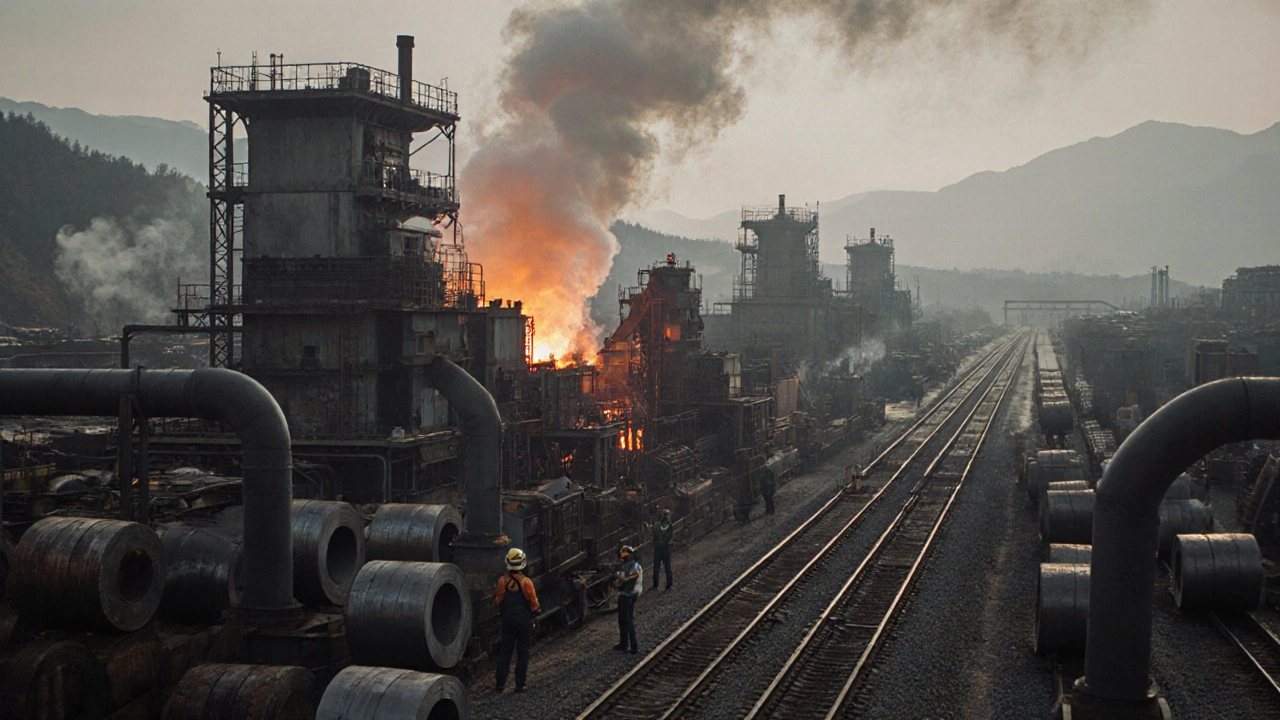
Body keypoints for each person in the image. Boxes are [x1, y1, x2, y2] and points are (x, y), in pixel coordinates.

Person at [494, 547, 540, 692]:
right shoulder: (527, 582)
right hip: (524, 622)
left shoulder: (502, 581)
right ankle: (520, 684)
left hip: (507, 621)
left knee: (505, 651)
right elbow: (533, 604)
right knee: (523, 652)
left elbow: (498, 600)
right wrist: (536, 612)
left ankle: (500, 683)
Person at [614, 545, 642, 654]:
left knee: (628, 619)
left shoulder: (634, 566)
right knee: (622, 619)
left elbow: (629, 581)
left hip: (630, 594)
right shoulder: (629, 565)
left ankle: (633, 645)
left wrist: (619, 584)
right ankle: (623, 643)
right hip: (625, 594)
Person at [651, 509, 674, 590]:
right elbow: (670, 537)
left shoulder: (656, 525)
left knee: (656, 566)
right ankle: (669, 584)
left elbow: (654, 537)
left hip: (657, 548)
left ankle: (655, 584)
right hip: (666, 548)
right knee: (667, 566)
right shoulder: (670, 526)